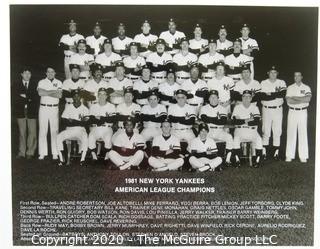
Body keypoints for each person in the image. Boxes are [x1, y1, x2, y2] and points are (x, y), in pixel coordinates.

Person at [199, 90, 233, 166]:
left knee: (229, 137)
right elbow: (204, 119)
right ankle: (202, 159)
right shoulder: (204, 108)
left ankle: (227, 160)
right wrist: (217, 119)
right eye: (211, 97)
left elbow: (223, 122)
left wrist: (210, 119)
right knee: (199, 139)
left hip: (219, 131)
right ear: (209, 99)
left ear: (218, 99)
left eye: (215, 97)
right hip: (208, 131)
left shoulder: (223, 109)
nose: (213, 99)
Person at [260, 66, 287, 160]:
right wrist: (276, 94)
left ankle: (276, 152)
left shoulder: (281, 82)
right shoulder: (263, 82)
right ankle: (264, 152)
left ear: (277, 73)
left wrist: (270, 94)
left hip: (278, 109)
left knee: (277, 130)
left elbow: (283, 94)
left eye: (275, 72)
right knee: (266, 130)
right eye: (271, 72)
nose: (273, 74)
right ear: (268, 73)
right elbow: (262, 96)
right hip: (266, 109)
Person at [56, 90, 89, 166]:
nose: (76, 97)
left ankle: (82, 160)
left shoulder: (85, 109)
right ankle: (61, 160)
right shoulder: (68, 107)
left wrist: (72, 121)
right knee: (59, 136)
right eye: (74, 96)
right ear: (72, 97)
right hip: (69, 130)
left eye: (78, 96)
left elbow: (86, 123)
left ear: (80, 97)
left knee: (85, 137)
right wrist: (79, 122)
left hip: (80, 130)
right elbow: (64, 121)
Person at [231, 90, 263, 168]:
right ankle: (237, 160)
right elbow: (234, 121)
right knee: (236, 139)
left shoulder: (255, 108)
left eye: (248, 97)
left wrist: (241, 120)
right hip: (240, 130)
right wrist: (247, 120)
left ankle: (257, 161)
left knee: (259, 139)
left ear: (251, 98)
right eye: (244, 96)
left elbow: (257, 122)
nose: (246, 98)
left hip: (252, 131)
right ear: (242, 98)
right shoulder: (237, 107)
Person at [285, 72, 312, 163]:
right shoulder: (290, 87)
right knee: (291, 133)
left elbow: (308, 99)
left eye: (299, 75)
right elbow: (289, 100)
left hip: (303, 112)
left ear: (302, 77)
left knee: (303, 133)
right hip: (292, 111)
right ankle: (289, 155)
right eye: (295, 76)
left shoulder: (306, 87)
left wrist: (295, 97)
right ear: (294, 77)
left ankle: (303, 156)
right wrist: (301, 99)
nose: (297, 77)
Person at [13, 67, 39, 159]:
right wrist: (29, 98)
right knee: (22, 132)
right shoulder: (16, 85)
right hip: (20, 111)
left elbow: (36, 98)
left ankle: (30, 152)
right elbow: (15, 98)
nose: (27, 75)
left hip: (32, 111)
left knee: (32, 132)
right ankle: (21, 152)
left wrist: (25, 96)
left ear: (31, 75)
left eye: (29, 73)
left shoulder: (35, 84)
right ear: (21, 74)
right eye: (25, 73)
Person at [37, 67, 63, 160]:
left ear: (55, 73)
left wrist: (46, 92)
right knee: (43, 130)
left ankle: (55, 153)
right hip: (43, 108)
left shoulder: (59, 82)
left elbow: (59, 95)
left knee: (54, 130)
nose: (50, 73)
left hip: (54, 108)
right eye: (48, 72)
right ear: (46, 73)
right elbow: (40, 93)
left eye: (52, 72)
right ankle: (42, 153)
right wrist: (54, 91)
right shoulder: (41, 82)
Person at [88, 88, 116, 161]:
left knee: (108, 138)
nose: (102, 96)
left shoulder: (111, 106)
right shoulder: (93, 106)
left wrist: (99, 118)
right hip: (96, 128)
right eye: (100, 94)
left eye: (104, 94)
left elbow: (112, 119)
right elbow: (91, 119)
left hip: (107, 128)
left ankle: (107, 155)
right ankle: (94, 156)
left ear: (107, 96)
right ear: (98, 95)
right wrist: (104, 119)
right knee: (91, 137)